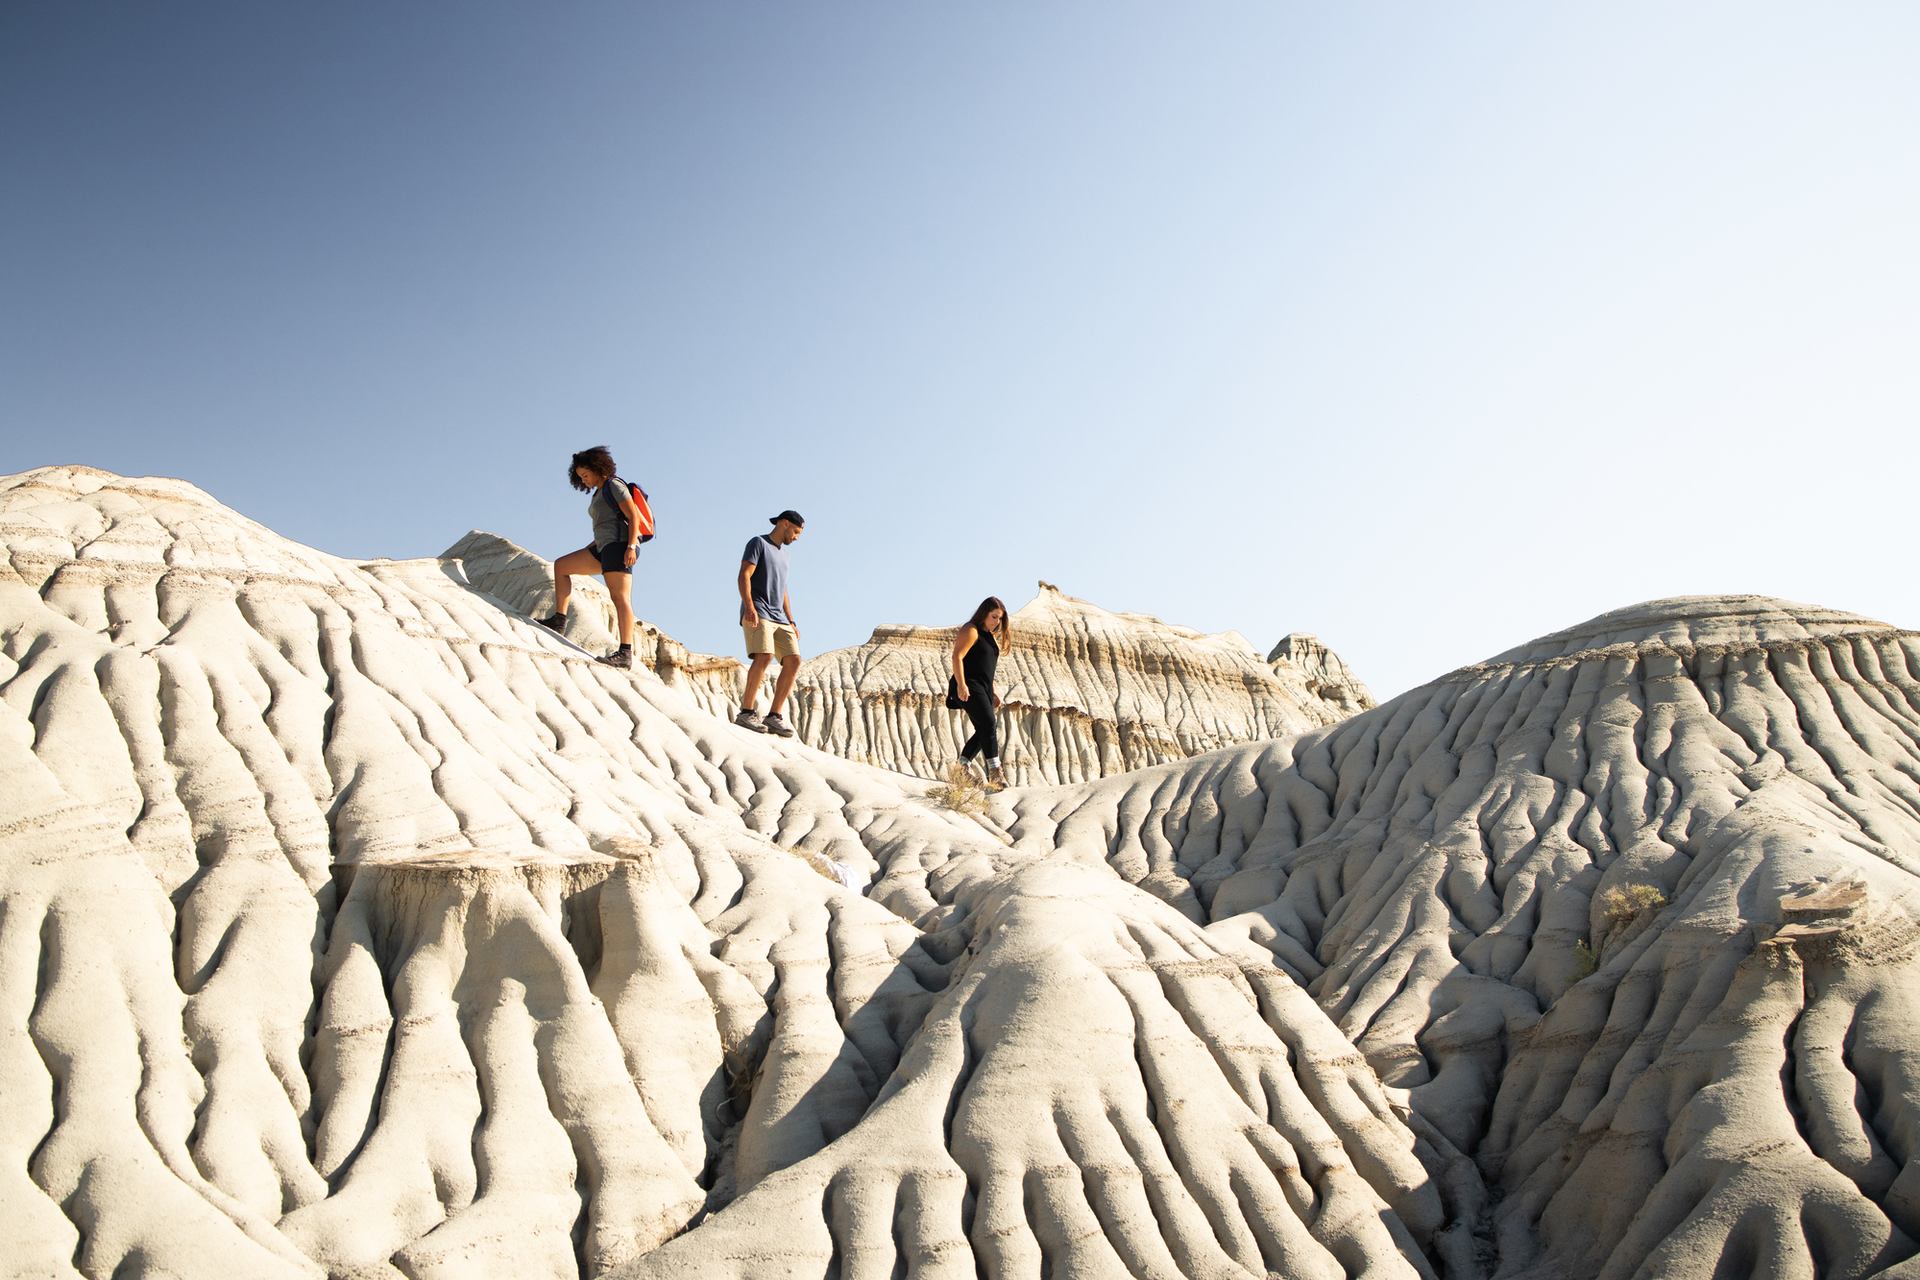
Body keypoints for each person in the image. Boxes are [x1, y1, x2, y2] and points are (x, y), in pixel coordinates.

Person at [537, 445, 644, 669]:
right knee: (562, 566)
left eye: (585, 475)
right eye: (580, 477)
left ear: (597, 468)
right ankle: (559, 620)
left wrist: (631, 546)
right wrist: (591, 546)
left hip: (619, 547)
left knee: (620, 597)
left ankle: (625, 653)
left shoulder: (614, 485)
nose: (584, 480)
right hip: (602, 547)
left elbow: (633, 515)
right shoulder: (599, 492)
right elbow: (604, 524)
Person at [735, 510, 805, 736]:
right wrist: (749, 606)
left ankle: (774, 716)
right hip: (758, 609)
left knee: (794, 660)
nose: (796, 537)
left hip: (779, 616)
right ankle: (746, 712)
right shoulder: (758, 543)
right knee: (763, 656)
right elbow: (744, 575)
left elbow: (783, 589)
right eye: (795, 532)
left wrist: (792, 620)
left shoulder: (786, 555)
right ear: (784, 524)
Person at [947, 596, 1010, 789]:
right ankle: (995, 773)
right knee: (989, 723)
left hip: (983, 687)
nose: (997, 622)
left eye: (1000, 618)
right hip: (969, 684)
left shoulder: (988, 636)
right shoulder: (971, 630)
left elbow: (987, 668)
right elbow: (957, 656)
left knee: (985, 728)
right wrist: (961, 685)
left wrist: (993, 693)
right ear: (984, 614)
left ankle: (962, 768)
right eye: (994, 617)